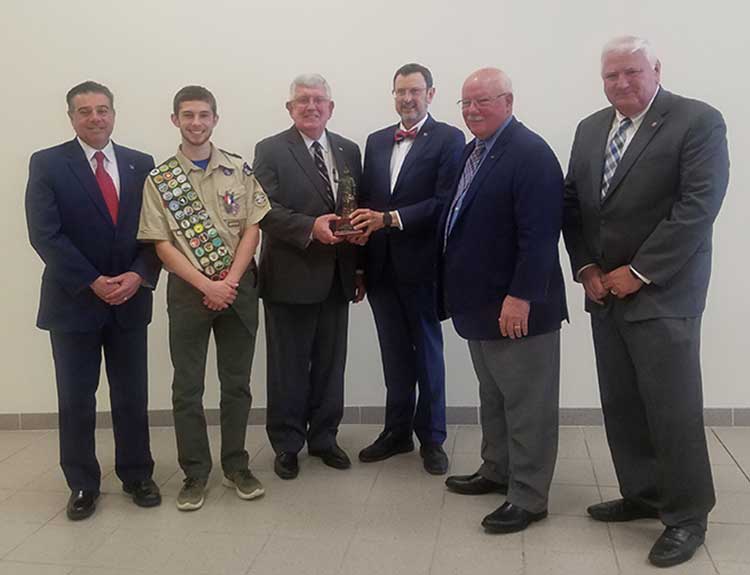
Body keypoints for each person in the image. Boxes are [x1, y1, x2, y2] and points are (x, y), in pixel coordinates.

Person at [562, 36, 729, 568]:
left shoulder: (697, 121)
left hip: (664, 292)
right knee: (623, 403)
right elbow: (574, 205)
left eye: (631, 72)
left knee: (672, 408)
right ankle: (641, 493)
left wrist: (638, 272)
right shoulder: (590, 128)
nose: (620, 83)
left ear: (656, 69)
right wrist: (586, 266)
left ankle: (686, 516)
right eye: (611, 75)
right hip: (604, 294)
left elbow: (698, 207)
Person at [25, 81, 162, 520]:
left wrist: (139, 275)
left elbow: (157, 232)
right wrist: (92, 281)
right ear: (71, 118)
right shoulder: (47, 164)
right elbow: (45, 234)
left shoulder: (142, 164)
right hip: (73, 302)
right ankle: (82, 483)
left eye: (102, 109)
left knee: (130, 395)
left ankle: (137, 473)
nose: (95, 118)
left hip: (129, 299)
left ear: (114, 114)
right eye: (84, 111)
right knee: (76, 399)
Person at [440, 68, 568, 533]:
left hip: (517, 308)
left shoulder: (529, 153)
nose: (473, 110)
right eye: (466, 103)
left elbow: (540, 236)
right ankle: (497, 470)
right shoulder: (472, 152)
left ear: (508, 101)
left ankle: (530, 496)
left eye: (484, 101)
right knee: (493, 397)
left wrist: (520, 297)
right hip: (480, 305)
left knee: (527, 403)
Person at [137, 86, 270, 511]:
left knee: (237, 385)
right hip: (188, 291)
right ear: (175, 120)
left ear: (215, 119)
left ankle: (236, 466)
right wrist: (206, 285)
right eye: (188, 115)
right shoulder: (161, 180)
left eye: (204, 115)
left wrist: (228, 280)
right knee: (187, 388)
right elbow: (161, 244)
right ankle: (195, 472)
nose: (196, 122)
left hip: (238, 288)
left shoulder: (238, 169)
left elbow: (253, 228)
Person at [349, 63, 464, 475]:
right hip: (380, 268)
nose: (407, 98)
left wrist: (391, 219)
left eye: (415, 91)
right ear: (393, 94)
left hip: (423, 266)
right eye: (400, 91)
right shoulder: (376, 141)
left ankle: (432, 438)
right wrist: (359, 268)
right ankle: (396, 432)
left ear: (431, 94)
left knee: (428, 354)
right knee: (394, 355)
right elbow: (364, 203)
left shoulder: (450, 138)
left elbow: (445, 202)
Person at [253, 74, 364, 480]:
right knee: (288, 367)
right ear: (290, 108)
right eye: (303, 100)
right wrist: (308, 228)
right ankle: (286, 443)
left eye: (319, 100)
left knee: (332, 365)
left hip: (338, 277)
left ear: (331, 108)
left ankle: (324, 438)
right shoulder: (270, 149)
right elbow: (262, 208)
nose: (311, 106)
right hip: (289, 275)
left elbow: (357, 209)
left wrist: (360, 269)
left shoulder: (349, 150)